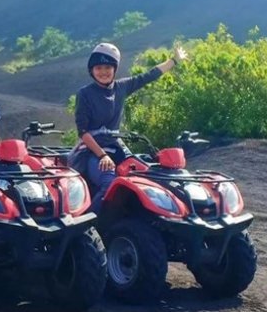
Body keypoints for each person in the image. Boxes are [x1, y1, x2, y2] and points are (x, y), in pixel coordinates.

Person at [71, 42, 187, 212]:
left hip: (116, 146)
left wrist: (174, 61)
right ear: (92, 70)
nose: (103, 72)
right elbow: (83, 132)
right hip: (92, 150)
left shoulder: (121, 87)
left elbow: (149, 75)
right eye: (99, 67)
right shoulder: (85, 94)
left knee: (146, 175)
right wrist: (102, 156)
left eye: (108, 67)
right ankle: (87, 224)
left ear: (115, 69)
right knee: (108, 182)